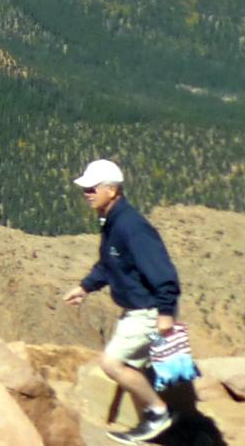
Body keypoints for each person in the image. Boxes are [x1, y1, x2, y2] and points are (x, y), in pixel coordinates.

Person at [62, 158, 183, 443]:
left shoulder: (131, 226)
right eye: (85, 188)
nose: (86, 194)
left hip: (147, 311)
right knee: (131, 365)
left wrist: (166, 312)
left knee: (112, 363)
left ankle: (158, 412)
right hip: (134, 310)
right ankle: (152, 424)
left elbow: (163, 272)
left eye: (92, 188)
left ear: (112, 190)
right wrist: (84, 287)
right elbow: (109, 264)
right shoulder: (113, 222)